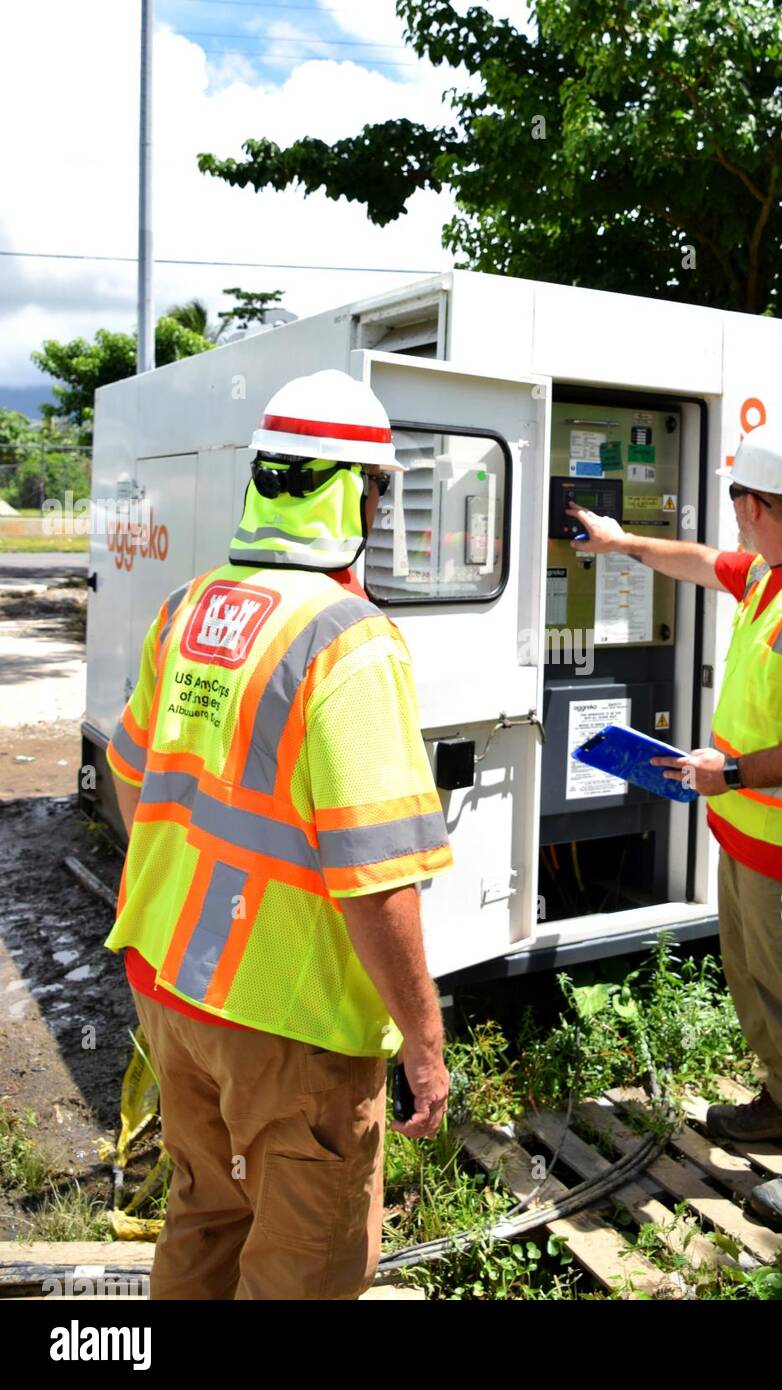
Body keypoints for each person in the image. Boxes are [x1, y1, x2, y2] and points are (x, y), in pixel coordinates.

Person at [104, 369, 453, 1297]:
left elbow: (131, 772)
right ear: (353, 492)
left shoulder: (191, 607)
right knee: (304, 1269)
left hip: (174, 990)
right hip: (291, 1022)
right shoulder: (348, 639)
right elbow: (376, 877)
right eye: (377, 490)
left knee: (206, 1219)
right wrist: (424, 1042)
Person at [566, 421, 782, 1226]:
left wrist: (730, 772)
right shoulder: (778, 572)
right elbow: (704, 564)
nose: (730, 514)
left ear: (757, 502)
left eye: (735, 496)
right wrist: (620, 541)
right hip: (747, 829)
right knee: (752, 975)